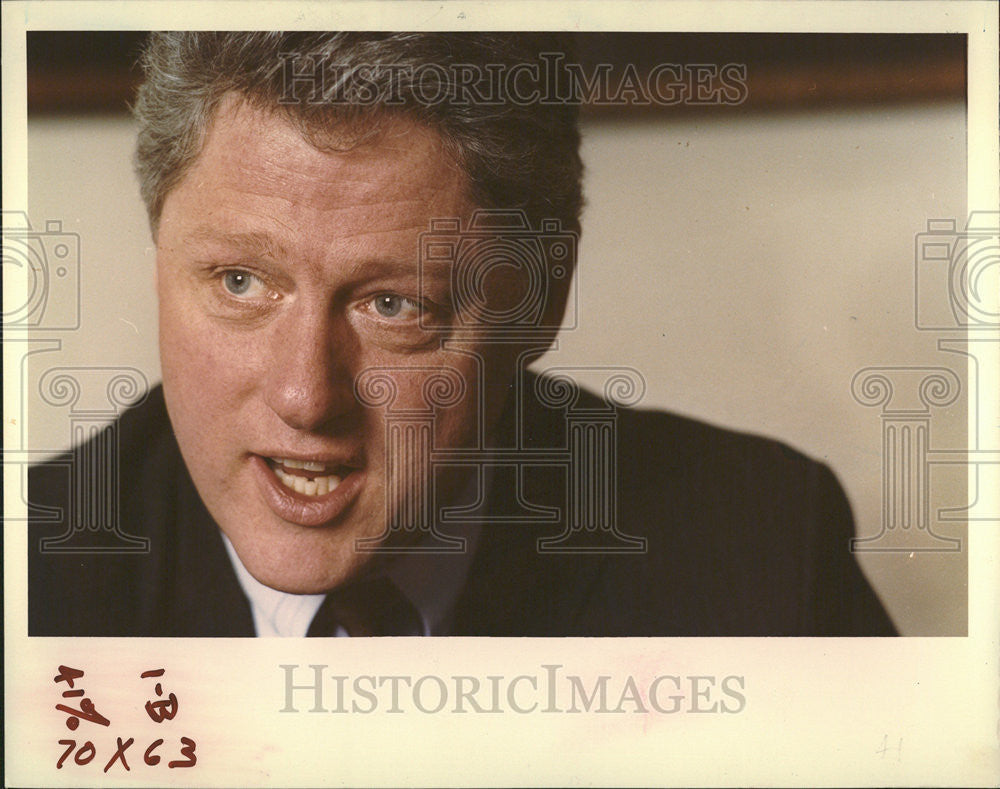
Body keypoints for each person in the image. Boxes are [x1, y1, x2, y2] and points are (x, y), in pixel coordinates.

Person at [28, 32, 896, 637]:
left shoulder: (760, 547)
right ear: (158, 259)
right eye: (241, 282)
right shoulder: (32, 583)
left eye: (393, 306)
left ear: (541, 300)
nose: (304, 396)